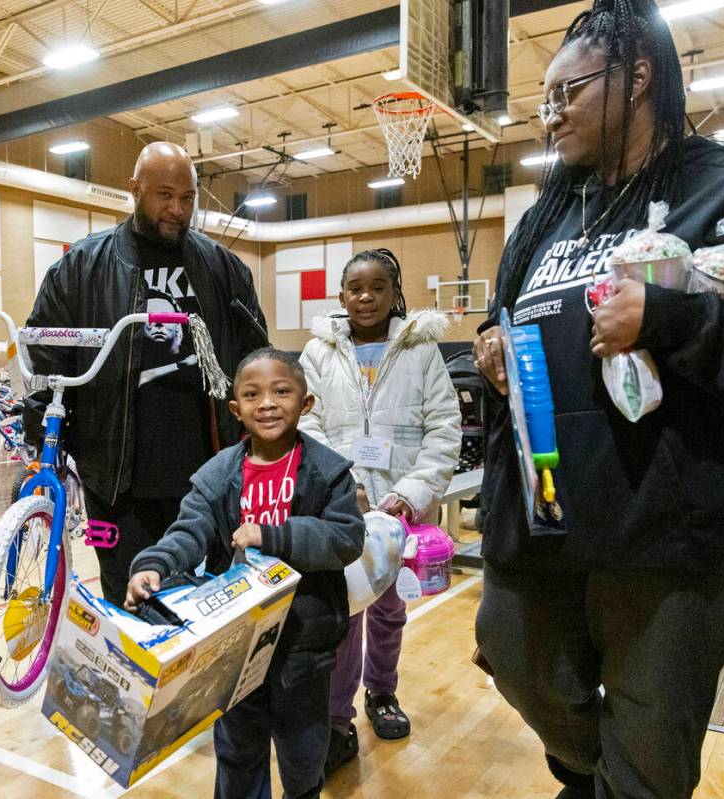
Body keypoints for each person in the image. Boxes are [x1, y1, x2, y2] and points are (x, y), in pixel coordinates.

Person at [470, 2, 724, 797]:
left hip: (674, 535)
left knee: (651, 760)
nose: (550, 113)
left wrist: (668, 317)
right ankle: (596, 773)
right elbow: (509, 315)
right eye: (545, 97)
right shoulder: (546, 218)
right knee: (514, 655)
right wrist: (492, 341)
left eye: (569, 91)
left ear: (636, 79)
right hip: (547, 521)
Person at [26, 141, 268, 605]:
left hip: (208, 475)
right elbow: (47, 357)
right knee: (126, 596)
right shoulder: (81, 267)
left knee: (210, 598)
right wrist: (44, 438)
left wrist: (261, 442)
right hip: (114, 480)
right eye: (163, 195)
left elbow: (256, 358)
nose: (177, 209)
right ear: (134, 190)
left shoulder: (224, 269)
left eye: (188, 198)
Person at [126, 348, 364, 799]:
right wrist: (153, 565)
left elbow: (346, 538)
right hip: (236, 647)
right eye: (253, 395)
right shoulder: (217, 474)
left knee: (302, 753)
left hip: (303, 645)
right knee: (237, 752)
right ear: (236, 409)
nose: (268, 404)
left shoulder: (328, 471)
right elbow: (189, 531)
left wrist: (273, 535)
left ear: (306, 402)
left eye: (281, 391)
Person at [298, 248, 462, 770]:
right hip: (341, 512)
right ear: (341, 296)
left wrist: (411, 493)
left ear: (395, 295)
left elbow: (444, 429)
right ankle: (335, 718)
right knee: (343, 614)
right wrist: (340, 483)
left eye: (377, 288)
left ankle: (382, 692)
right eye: (355, 288)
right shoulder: (317, 354)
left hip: (402, 513)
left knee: (389, 611)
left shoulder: (422, 352)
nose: (365, 298)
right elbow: (306, 423)